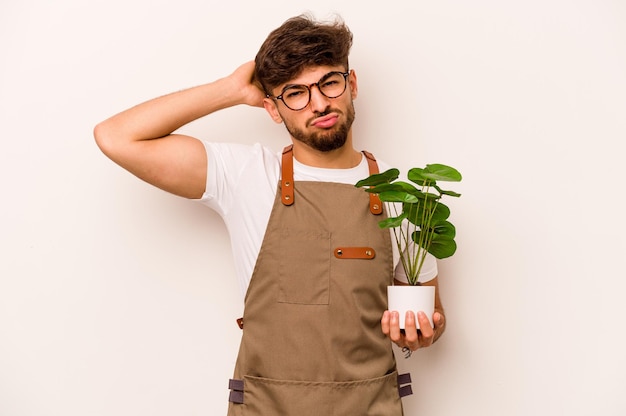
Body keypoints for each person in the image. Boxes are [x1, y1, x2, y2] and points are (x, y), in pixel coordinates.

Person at [94, 13, 446, 416]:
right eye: (295, 93)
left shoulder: (403, 194)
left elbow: (434, 316)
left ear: (351, 84)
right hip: (266, 407)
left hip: (371, 406)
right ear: (272, 109)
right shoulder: (244, 175)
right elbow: (117, 136)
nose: (318, 103)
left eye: (329, 82)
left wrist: (426, 332)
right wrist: (228, 89)